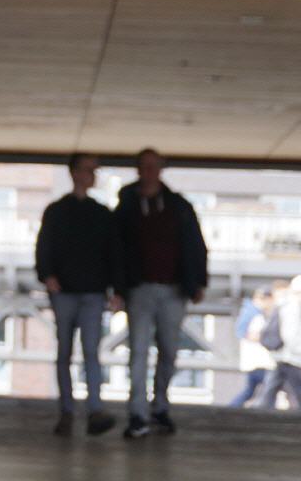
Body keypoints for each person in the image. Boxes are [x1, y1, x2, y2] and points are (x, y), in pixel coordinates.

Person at [114, 148, 208, 439]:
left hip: (173, 289)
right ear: (139, 170)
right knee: (138, 353)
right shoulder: (126, 207)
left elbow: (195, 244)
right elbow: (115, 250)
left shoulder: (178, 206)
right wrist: (118, 289)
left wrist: (197, 282)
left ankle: (160, 406)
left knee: (169, 351)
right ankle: (138, 414)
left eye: (154, 166)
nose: (149, 171)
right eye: (145, 166)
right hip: (139, 289)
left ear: (161, 169)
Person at [33, 152, 120, 436]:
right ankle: (68, 411)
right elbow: (44, 247)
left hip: (92, 292)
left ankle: (93, 409)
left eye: (94, 170)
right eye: (87, 170)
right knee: (66, 353)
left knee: (90, 352)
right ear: (74, 173)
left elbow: (112, 254)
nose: (91, 175)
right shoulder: (57, 211)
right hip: (68, 292)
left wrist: (114, 289)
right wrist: (48, 276)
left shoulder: (101, 214)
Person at [261, 274, 301, 410]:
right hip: (291, 357)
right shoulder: (293, 307)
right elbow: (292, 335)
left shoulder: (286, 304)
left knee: (272, 389)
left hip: (283, 356)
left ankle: (261, 412)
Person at [227, 285, 275, 407]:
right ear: (265, 299)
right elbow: (248, 334)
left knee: (251, 391)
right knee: (269, 389)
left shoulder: (249, 311)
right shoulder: (254, 314)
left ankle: (233, 408)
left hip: (253, 361)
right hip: (259, 361)